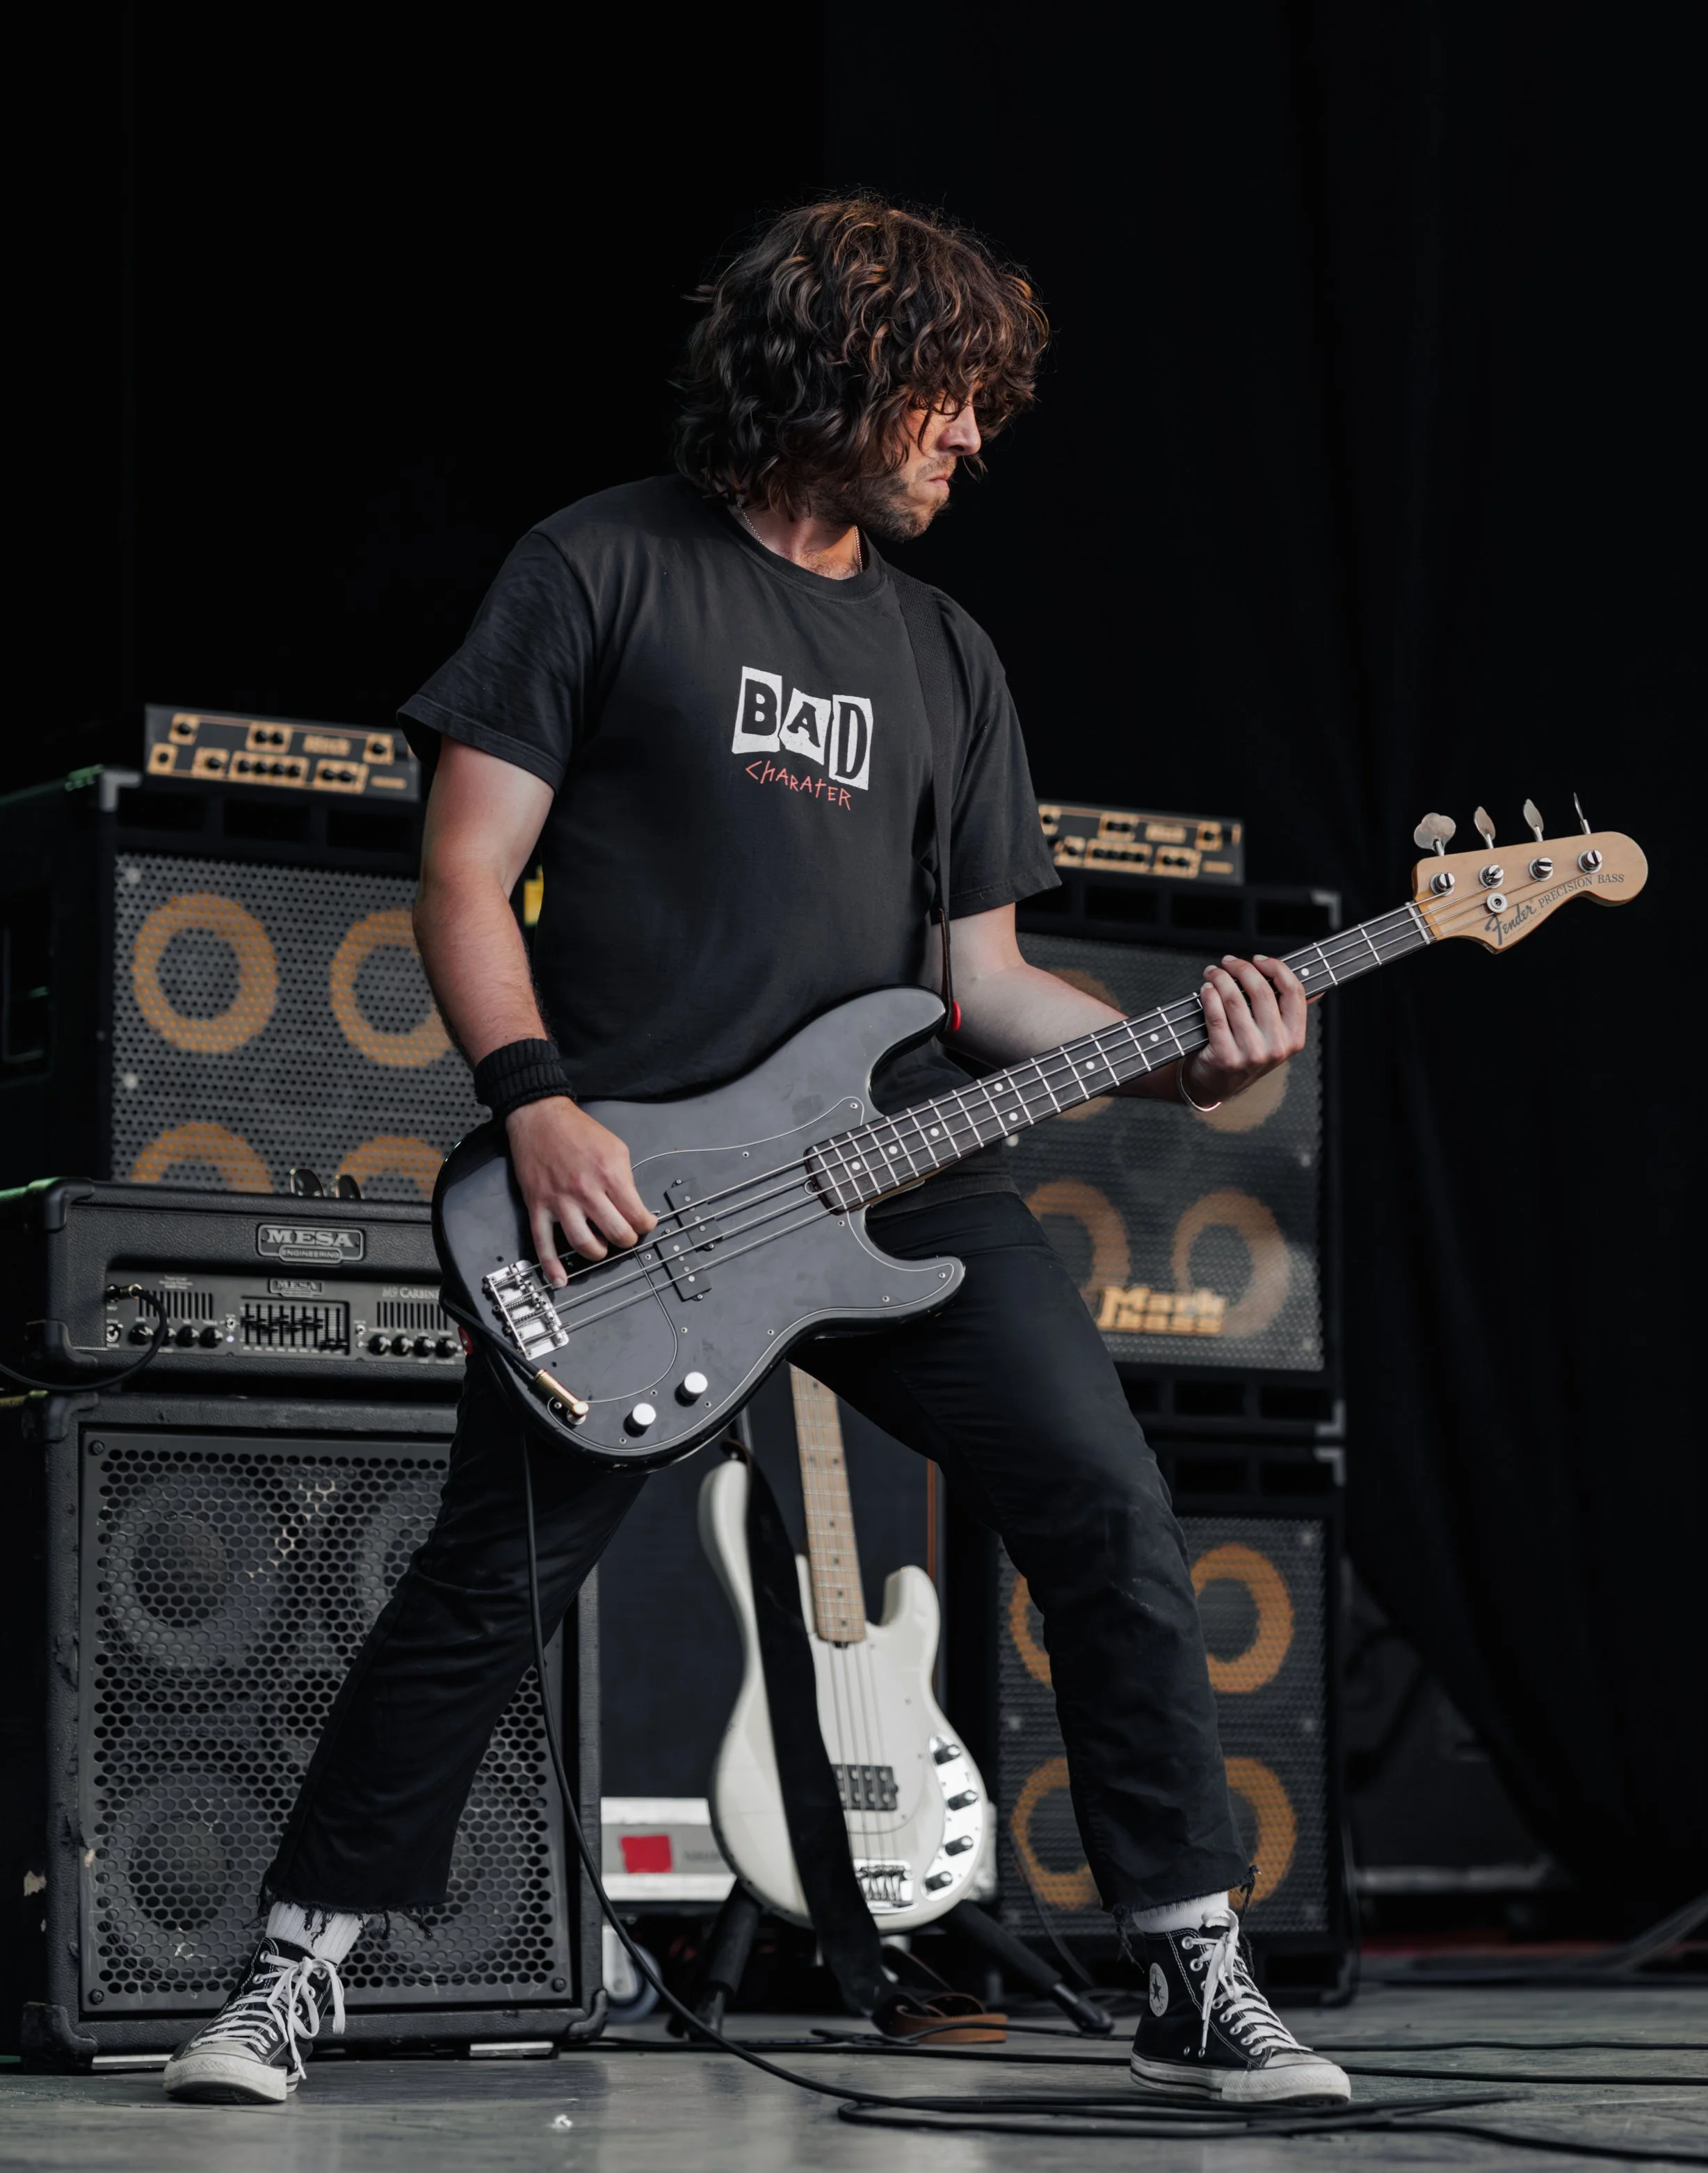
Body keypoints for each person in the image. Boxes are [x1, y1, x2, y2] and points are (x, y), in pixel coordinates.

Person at [163, 197, 1348, 2110]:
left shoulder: (947, 654)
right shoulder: (598, 566)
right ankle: (289, 1974)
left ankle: (1191, 1968)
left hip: (902, 1180)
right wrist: (537, 1101)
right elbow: (462, 871)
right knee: (491, 1579)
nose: (972, 440)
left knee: (1109, 1514)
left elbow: (977, 982)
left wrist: (1178, 1075)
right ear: (842, 366)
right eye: (949, 397)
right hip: (635, 1194)